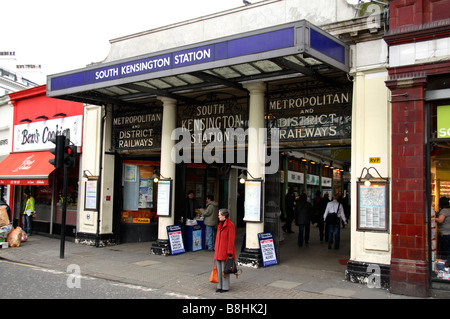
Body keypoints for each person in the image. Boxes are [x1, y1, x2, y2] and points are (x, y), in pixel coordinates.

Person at [214, 208, 236, 293]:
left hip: (225, 252)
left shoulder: (230, 225)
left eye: (219, 214)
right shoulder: (220, 224)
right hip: (219, 251)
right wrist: (216, 248)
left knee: (225, 270)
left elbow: (231, 240)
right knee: (219, 270)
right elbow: (217, 238)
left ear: (224, 216)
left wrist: (230, 252)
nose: (218, 216)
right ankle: (219, 285)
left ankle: (225, 287)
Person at [437, 197, 450, 264]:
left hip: (445, 234)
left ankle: (445, 265)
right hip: (448, 233)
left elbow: (440, 220)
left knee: (445, 251)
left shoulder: (444, 211)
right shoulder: (448, 210)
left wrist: (433, 218)